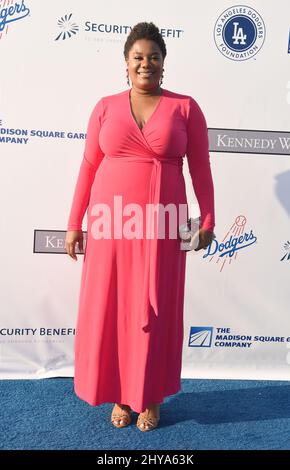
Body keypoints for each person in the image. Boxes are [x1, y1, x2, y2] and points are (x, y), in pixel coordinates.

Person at [65, 21, 215, 432]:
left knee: (155, 309)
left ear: (164, 63)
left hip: (163, 226)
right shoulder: (105, 107)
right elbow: (89, 166)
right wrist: (74, 222)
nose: (145, 63)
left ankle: (149, 396)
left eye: (153, 57)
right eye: (138, 57)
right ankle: (119, 393)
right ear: (126, 64)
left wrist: (208, 219)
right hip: (111, 224)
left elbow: (200, 167)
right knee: (114, 307)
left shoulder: (185, 107)